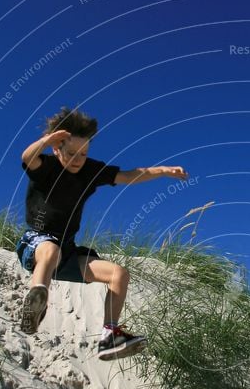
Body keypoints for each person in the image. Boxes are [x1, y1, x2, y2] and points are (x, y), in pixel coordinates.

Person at [16, 106, 188, 360]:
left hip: (67, 252)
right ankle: (36, 299)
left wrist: (162, 171)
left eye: (83, 154)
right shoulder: (47, 167)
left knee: (119, 274)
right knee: (51, 248)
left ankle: (110, 335)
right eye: (71, 153)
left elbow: (128, 175)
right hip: (36, 244)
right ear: (56, 148)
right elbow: (27, 158)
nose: (77, 160)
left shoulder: (89, 171)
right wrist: (43, 141)